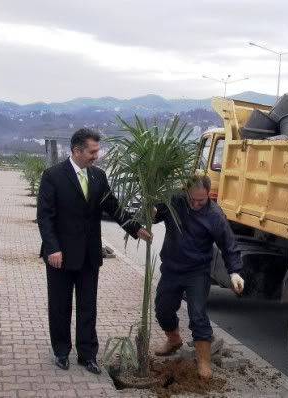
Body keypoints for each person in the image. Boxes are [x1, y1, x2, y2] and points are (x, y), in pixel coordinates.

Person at [37, 128, 151, 374]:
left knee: (88, 306)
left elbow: (114, 207)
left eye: (97, 151)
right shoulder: (53, 176)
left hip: (89, 255)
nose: (96, 156)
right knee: (60, 305)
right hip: (60, 256)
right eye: (92, 151)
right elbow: (45, 217)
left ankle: (88, 355)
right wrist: (52, 248)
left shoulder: (99, 177)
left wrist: (136, 228)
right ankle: (61, 351)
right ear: (77, 151)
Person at [152, 175, 244, 379]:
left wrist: (235, 272)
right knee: (162, 309)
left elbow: (228, 245)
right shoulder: (176, 201)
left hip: (197, 271)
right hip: (172, 267)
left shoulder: (214, 215)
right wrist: (151, 209)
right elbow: (154, 215)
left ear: (208, 195)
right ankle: (173, 339)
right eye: (191, 199)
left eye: (200, 200)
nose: (195, 204)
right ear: (186, 193)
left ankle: (203, 361)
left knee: (198, 314)